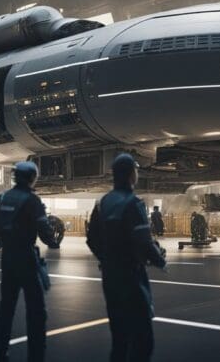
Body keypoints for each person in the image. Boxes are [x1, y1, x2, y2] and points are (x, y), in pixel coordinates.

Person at [87, 154, 167, 362]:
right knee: (143, 339)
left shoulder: (103, 202)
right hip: (131, 277)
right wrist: (159, 260)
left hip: (110, 277)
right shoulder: (133, 204)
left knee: (119, 339)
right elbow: (144, 241)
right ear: (132, 175)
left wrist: (106, 259)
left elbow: (91, 239)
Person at [0, 161, 59, 362]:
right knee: (36, 310)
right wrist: (53, 242)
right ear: (31, 178)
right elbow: (45, 231)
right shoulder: (32, 200)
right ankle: (36, 355)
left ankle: (0, 352)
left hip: (8, 257)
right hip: (27, 258)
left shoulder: (2, 198)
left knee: (6, 307)